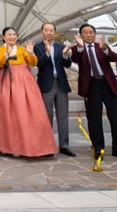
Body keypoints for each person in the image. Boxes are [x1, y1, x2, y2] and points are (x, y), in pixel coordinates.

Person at [0, 27, 57, 157]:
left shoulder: (22, 49)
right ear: (4, 37)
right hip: (7, 81)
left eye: (14, 34)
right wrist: (6, 54)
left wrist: (31, 53)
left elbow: (33, 63)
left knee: (30, 111)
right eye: (9, 35)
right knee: (8, 113)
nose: (12, 37)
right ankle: (13, 147)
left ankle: (37, 146)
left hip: (25, 81)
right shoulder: (0, 50)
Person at [71, 24, 117, 161]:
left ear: (95, 34)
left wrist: (104, 49)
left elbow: (114, 58)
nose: (88, 35)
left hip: (108, 84)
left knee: (116, 118)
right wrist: (80, 47)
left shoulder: (102, 46)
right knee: (94, 119)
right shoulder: (77, 48)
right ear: (81, 35)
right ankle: (98, 148)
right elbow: (75, 59)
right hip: (91, 86)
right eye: (85, 33)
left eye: (91, 32)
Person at [33, 23, 76, 157]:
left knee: (63, 116)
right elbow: (38, 63)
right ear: (42, 32)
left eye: (51, 30)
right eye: (46, 30)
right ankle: (47, 146)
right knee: (47, 117)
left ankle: (64, 145)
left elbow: (67, 64)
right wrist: (46, 53)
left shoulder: (60, 47)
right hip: (46, 84)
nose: (49, 33)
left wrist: (65, 55)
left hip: (61, 84)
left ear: (55, 32)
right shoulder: (37, 47)